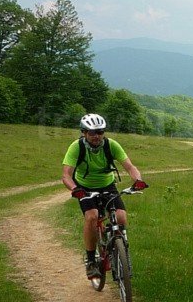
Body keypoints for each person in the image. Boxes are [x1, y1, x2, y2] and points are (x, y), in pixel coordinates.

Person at [61, 113, 148, 279]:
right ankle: (91, 260)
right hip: (84, 188)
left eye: (100, 132)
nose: (96, 136)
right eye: (92, 132)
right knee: (92, 217)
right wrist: (75, 189)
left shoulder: (111, 145)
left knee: (121, 217)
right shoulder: (76, 147)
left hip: (108, 186)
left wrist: (138, 180)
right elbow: (66, 175)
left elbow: (130, 166)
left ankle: (120, 251)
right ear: (84, 133)